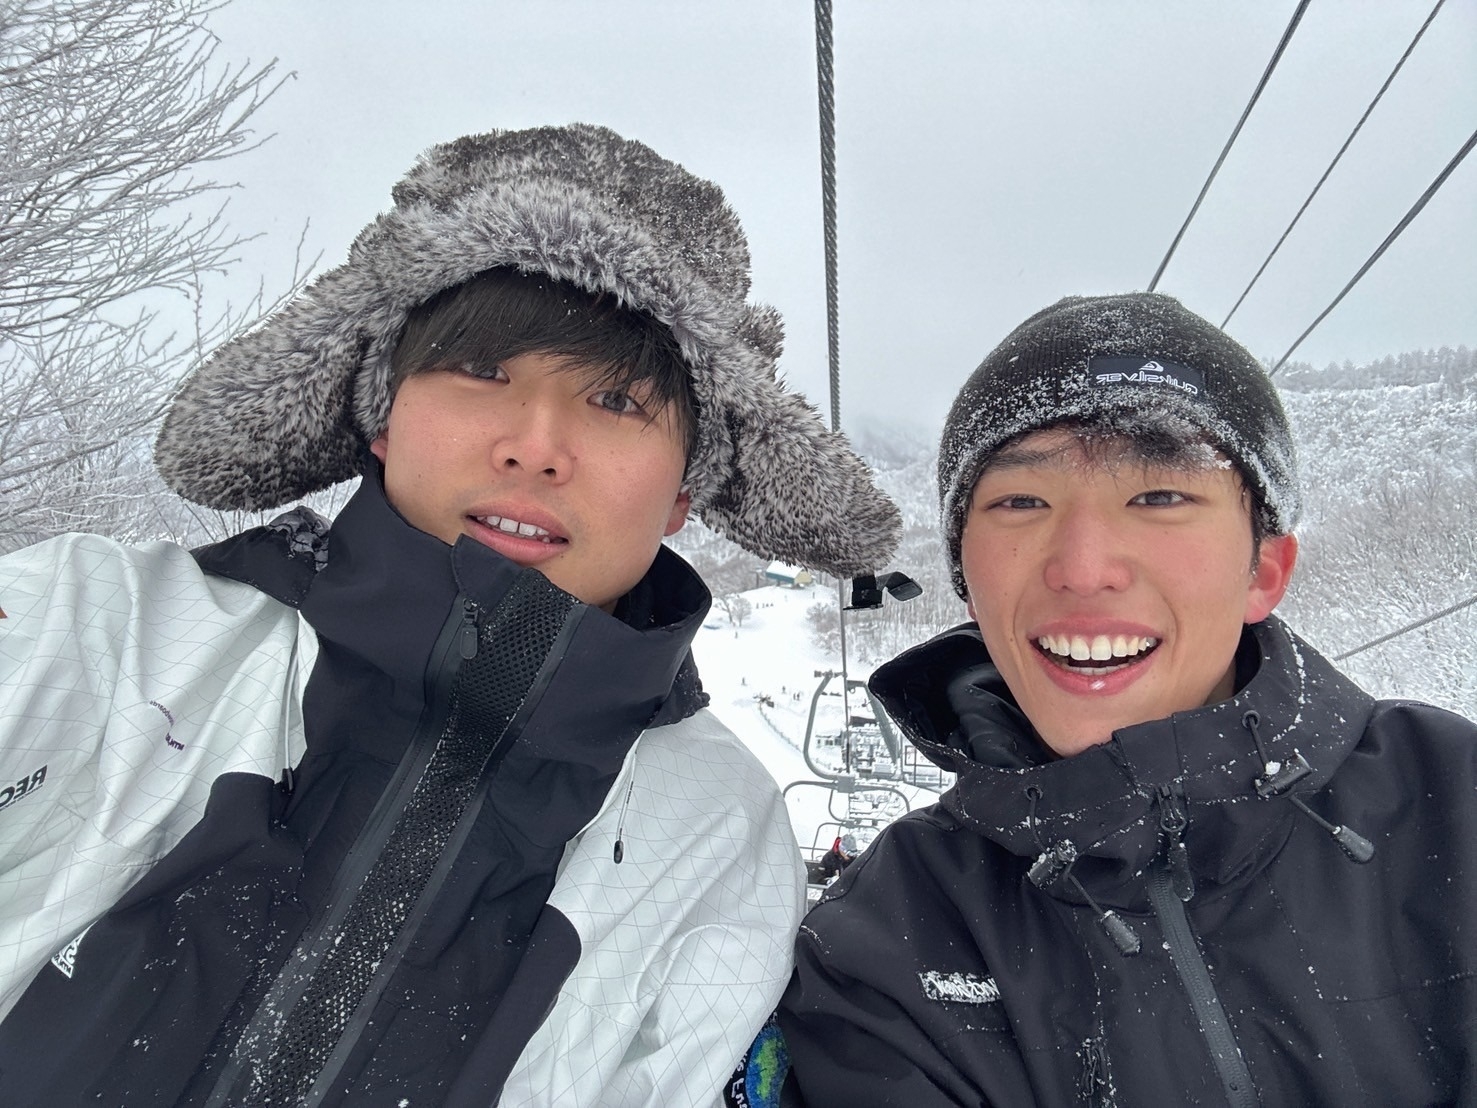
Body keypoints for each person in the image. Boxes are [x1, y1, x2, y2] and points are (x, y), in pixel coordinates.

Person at [0, 123, 901, 1107]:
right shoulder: (95, 629)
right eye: (483, 370)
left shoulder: (717, 832)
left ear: (684, 489)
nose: (535, 446)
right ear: (383, 417)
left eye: (614, 399)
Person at [777, 292, 1477, 1105]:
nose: (1082, 568)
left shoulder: (1449, 801)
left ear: (1263, 571)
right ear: (967, 578)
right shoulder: (893, 936)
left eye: (1158, 498)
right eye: (1020, 502)